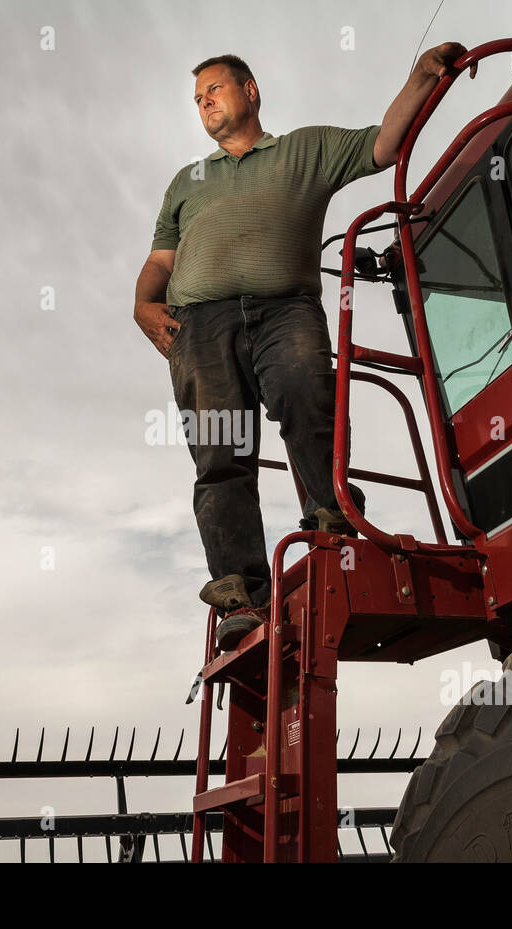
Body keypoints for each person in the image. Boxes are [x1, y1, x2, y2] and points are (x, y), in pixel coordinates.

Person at [134, 43, 472, 651]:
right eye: (197, 98)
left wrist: (420, 76)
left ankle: (329, 519)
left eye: (214, 88)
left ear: (250, 89)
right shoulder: (188, 181)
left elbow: (382, 144)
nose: (204, 101)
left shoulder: (305, 149)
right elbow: (160, 260)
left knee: (306, 395)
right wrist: (142, 304)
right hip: (199, 325)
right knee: (219, 449)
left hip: (284, 308)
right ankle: (240, 591)